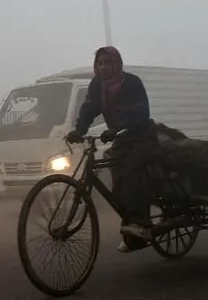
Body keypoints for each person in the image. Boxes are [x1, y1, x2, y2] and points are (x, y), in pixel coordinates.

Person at [65, 46, 156, 252]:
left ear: (116, 64)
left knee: (132, 171)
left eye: (107, 63)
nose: (102, 67)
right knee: (117, 179)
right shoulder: (97, 86)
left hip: (143, 137)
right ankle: (130, 228)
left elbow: (142, 112)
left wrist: (117, 128)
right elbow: (89, 108)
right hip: (122, 139)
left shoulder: (132, 82)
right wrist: (78, 131)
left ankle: (141, 224)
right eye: (99, 63)